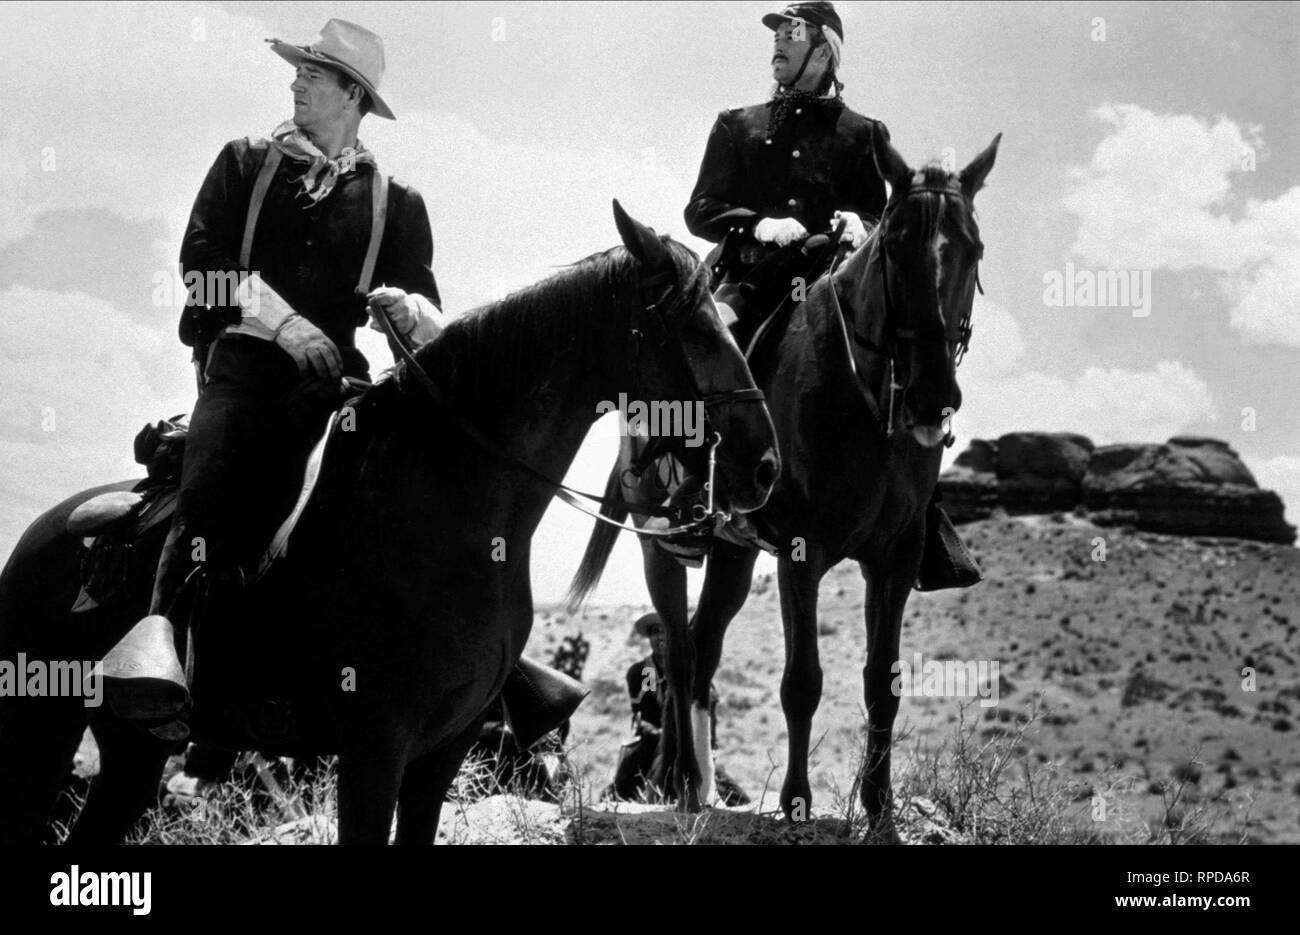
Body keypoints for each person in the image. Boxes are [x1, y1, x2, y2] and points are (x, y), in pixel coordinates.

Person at [96, 19, 585, 739]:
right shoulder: (244, 162)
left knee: (429, 486)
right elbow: (200, 262)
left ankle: (490, 665)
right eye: (299, 73)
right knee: (212, 485)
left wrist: (404, 310)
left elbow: (427, 311)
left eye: (312, 75)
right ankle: (158, 645)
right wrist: (286, 325)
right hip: (243, 379)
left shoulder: (398, 200)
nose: (295, 81)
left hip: (338, 393)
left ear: (352, 95)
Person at [653, 1, 980, 591]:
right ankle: (690, 495)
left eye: (790, 35)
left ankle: (918, 513)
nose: (777, 44)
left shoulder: (865, 134)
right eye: (776, 35)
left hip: (834, 277)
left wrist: (863, 221)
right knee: (705, 346)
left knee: (908, 349)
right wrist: (757, 224)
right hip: (751, 275)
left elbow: (890, 215)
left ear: (823, 51)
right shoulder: (736, 123)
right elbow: (700, 210)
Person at [605, 613, 750, 806]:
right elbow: (647, 706)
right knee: (628, 774)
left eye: (665, 630)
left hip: (689, 737)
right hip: (654, 736)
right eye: (655, 632)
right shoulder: (646, 671)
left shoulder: (693, 670)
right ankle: (617, 801)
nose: (660, 637)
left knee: (726, 786)